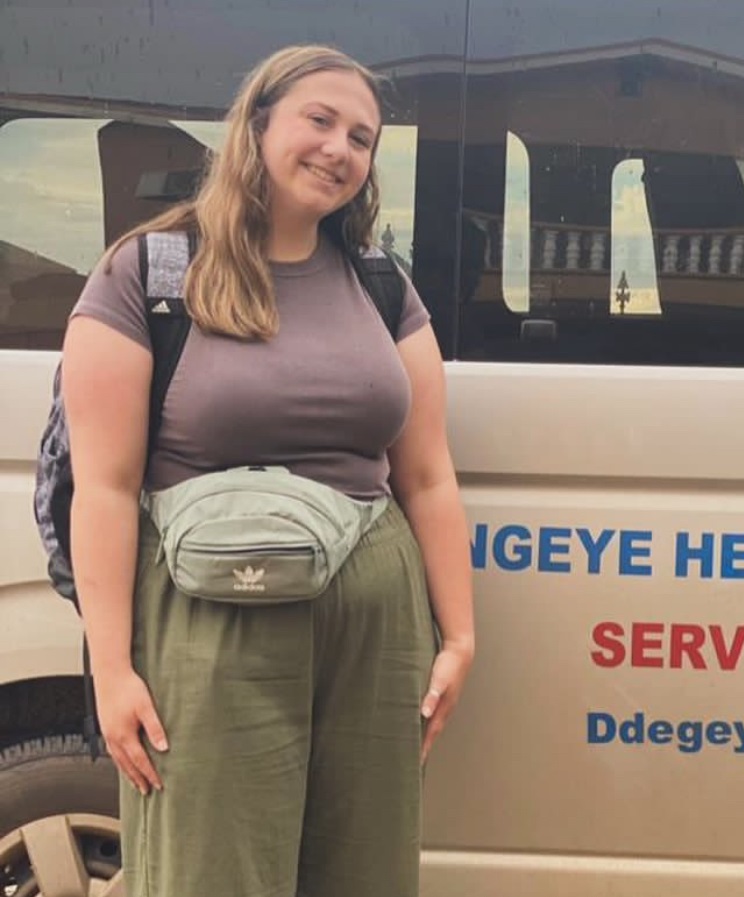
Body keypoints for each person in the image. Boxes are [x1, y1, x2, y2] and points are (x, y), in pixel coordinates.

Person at [60, 45, 474, 897]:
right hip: (211, 624)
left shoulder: (379, 282)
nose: (340, 149)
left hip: (375, 626)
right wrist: (111, 669)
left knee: (363, 870)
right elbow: (101, 486)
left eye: (361, 136)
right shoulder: (148, 273)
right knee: (212, 871)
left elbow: (428, 474)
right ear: (256, 125)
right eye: (319, 120)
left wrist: (459, 635)